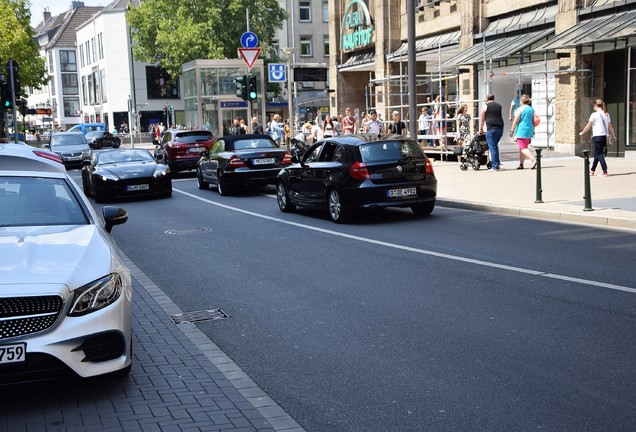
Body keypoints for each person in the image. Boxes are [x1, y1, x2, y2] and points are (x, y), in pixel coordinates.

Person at [579, 99, 616, 177]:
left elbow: (589, 125)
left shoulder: (594, 114)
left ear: (596, 105)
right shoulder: (606, 114)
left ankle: (605, 171)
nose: (593, 107)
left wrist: (582, 132)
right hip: (604, 136)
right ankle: (592, 170)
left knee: (599, 154)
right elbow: (610, 127)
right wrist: (614, 136)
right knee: (597, 153)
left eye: (593, 106)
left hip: (598, 136)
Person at [509, 94, 537, 169]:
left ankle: (533, 160)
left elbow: (515, 120)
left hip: (522, 130)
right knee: (524, 147)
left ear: (521, 101)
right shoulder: (531, 109)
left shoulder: (520, 109)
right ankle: (521, 164)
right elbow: (534, 120)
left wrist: (512, 130)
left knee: (522, 148)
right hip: (530, 130)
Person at [479, 93, 503, 171]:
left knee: (493, 147)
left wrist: (481, 129)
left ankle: (495, 166)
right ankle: (497, 163)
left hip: (491, 128)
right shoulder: (499, 106)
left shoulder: (485, 107)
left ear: (486, 99)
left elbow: (482, 119)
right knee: (495, 146)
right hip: (500, 128)